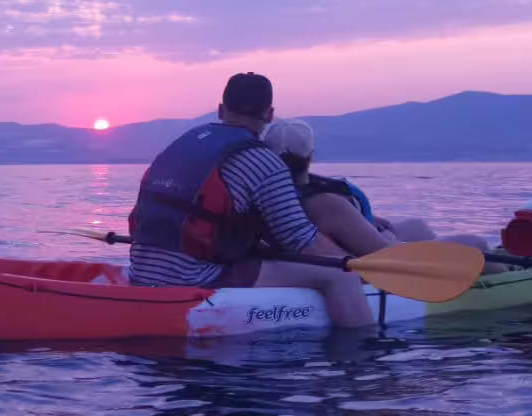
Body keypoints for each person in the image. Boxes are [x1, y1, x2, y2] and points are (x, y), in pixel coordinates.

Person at [128, 73, 374, 328]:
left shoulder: (184, 143)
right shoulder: (264, 162)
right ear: (269, 114)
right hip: (194, 277)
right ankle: (363, 348)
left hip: (141, 270)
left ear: (221, 109)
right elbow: (301, 241)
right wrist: (358, 268)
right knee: (340, 275)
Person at [260, 118, 496, 263]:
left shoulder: (277, 193)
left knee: (418, 226)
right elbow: (389, 255)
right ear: (311, 155)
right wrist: (387, 236)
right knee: (477, 244)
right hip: (380, 259)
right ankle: (504, 278)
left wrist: (366, 220)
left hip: (350, 243)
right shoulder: (326, 203)